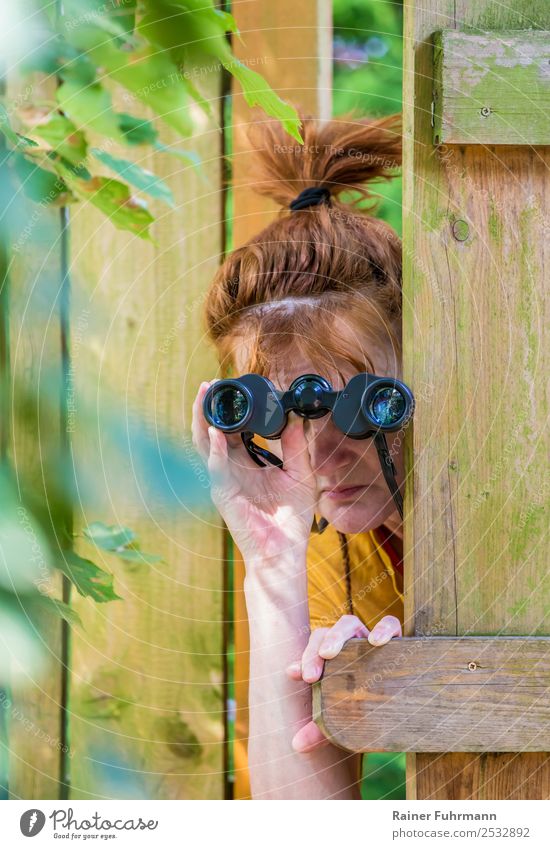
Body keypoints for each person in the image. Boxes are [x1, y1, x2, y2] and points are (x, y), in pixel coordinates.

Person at [191, 111, 406, 799]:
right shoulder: (327, 542)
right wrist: (273, 572)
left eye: (353, 404)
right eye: (281, 415)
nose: (316, 453)